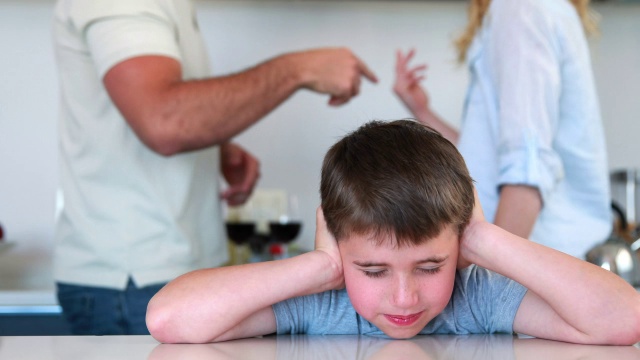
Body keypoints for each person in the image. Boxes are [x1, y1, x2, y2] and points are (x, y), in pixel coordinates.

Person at [146, 120, 640, 345]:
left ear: (458, 245)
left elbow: (622, 321)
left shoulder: (476, 297)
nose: (404, 297)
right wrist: (320, 266)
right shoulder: (319, 298)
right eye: (373, 269)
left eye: (429, 266)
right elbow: (169, 319)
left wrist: (485, 239)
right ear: (339, 245)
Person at [52, 0, 377, 335]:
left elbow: (158, 113)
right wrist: (299, 68)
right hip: (132, 281)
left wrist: (214, 150)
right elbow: (163, 120)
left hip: (159, 275)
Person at [393, 0, 610, 259]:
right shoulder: (532, 9)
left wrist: (489, 281)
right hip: (552, 257)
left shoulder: (521, 10)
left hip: (539, 255)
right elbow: (489, 156)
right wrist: (422, 112)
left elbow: (527, 172)